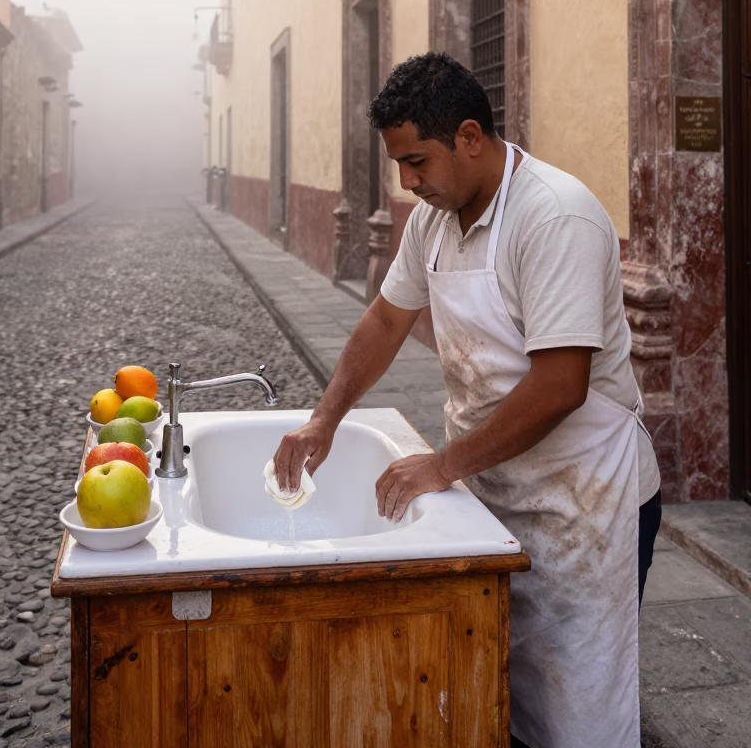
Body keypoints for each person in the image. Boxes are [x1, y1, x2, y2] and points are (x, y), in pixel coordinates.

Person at [272, 52, 661, 748]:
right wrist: (324, 420)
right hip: (496, 486)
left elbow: (559, 387)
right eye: (398, 165)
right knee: (490, 684)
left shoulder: (555, 217)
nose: (407, 182)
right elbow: (385, 320)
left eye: (417, 161)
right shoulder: (433, 222)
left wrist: (442, 465)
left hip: (588, 501)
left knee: (578, 709)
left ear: (472, 137)